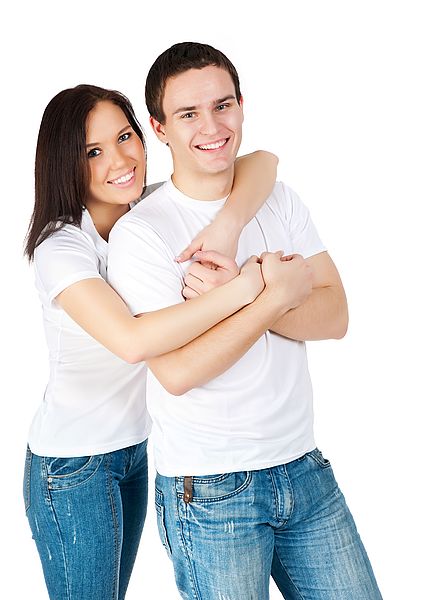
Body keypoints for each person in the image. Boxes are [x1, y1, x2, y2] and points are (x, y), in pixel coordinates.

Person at [107, 43, 382, 599]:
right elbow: (179, 372)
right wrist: (268, 292)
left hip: (305, 469)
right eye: (188, 114)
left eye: (223, 105)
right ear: (160, 128)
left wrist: (261, 295)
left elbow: (336, 315)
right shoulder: (143, 234)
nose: (212, 126)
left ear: (241, 105)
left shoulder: (278, 200)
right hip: (209, 490)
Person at [23, 83, 283, 600]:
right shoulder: (62, 246)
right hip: (73, 468)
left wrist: (230, 224)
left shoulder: (142, 211)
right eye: (93, 151)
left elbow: (262, 163)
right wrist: (249, 289)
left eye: (125, 137)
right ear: (64, 164)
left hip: (135, 451)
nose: (120, 160)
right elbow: (132, 341)